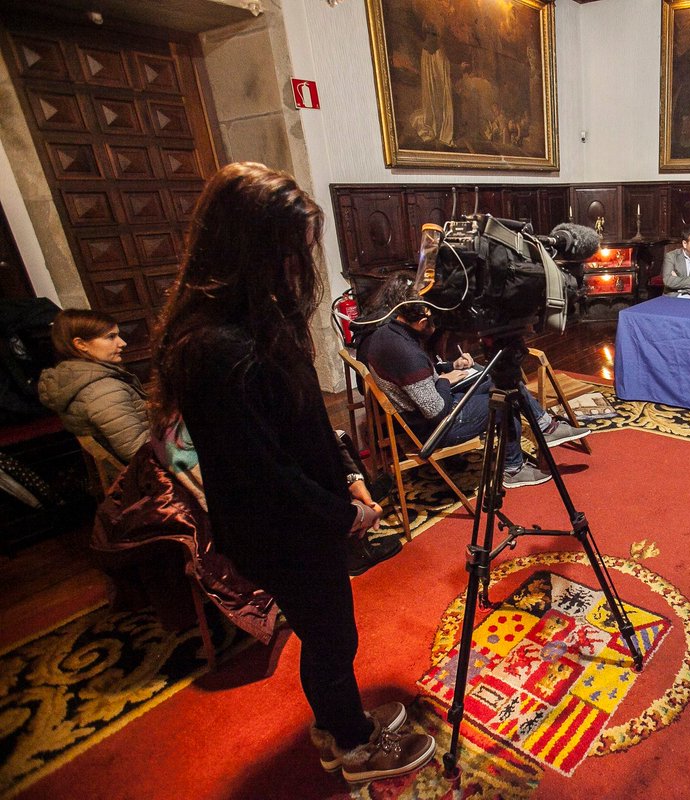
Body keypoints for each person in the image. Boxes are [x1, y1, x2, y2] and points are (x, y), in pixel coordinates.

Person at [152, 162, 436, 783]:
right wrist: (346, 514)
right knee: (331, 637)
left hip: (302, 512)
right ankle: (349, 743)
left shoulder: (259, 316)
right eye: (289, 250)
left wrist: (347, 470)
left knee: (332, 629)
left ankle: (340, 719)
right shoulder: (213, 347)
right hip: (278, 527)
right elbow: (264, 474)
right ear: (249, 248)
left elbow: (303, 418)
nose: (297, 266)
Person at [357, 275, 589, 490]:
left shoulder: (387, 333)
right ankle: (513, 468)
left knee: (496, 376)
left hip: (419, 410)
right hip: (432, 428)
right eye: (434, 321)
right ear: (421, 319)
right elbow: (435, 410)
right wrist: (446, 381)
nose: (436, 326)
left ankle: (544, 425)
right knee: (505, 399)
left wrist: (450, 367)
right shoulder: (405, 352)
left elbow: (420, 379)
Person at [38, 309, 148, 463]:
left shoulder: (73, 377)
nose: (123, 343)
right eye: (111, 337)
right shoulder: (103, 391)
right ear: (81, 344)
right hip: (150, 469)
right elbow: (138, 450)